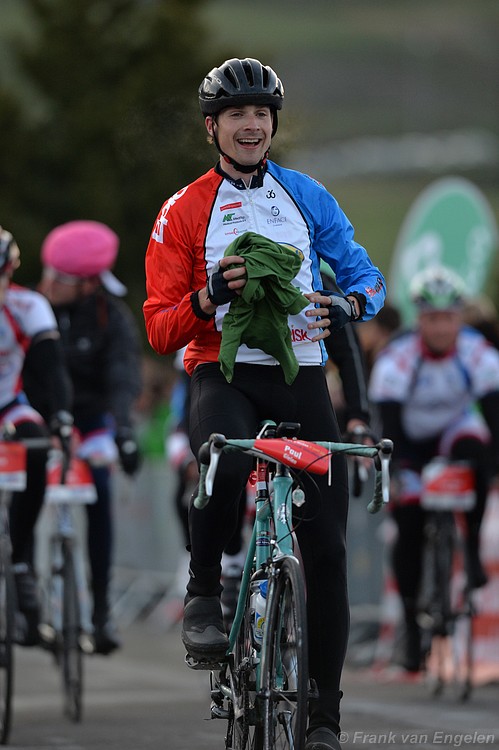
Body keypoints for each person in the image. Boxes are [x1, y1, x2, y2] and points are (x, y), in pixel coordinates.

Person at [143, 58, 385, 750]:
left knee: (328, 550)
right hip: (222, 374)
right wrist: (207, 297)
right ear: (212, 127)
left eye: (261, 114)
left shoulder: (306, 196)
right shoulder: (184, 209)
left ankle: (324, 716)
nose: (250, 125)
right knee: (220, 462)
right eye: (236, 115)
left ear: (272, 124)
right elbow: (159, 327)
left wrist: (349, 303)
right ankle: (203, 593)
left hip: (300, 375)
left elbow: (368, 279)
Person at [369, 265, 499, 672]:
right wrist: (399, 471)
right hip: (409, 442)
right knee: (409, 526)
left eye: (448, 318)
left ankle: (471, 548)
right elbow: (388, 426)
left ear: (459, 318)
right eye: (432, 319)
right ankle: (412, 623)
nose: (441, 328)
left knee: (478, 446)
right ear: (420, 319)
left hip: (454, 433)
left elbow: (494, 418)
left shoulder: (478, 353)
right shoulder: (398, 358)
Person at [24, 220, 143, 655]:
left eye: (61, 278)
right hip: (39, 416)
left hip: (91, 421)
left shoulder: (111, 316)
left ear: (90, 283)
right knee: (23, 491)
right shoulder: (32, 307)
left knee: (101, 489)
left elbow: (122, 375)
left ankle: (101, 609)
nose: (48, 283)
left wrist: (124, 430)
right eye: (48, 273)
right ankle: (24, 598)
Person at [0, 225, 73, 646]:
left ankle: (20, 559)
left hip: (9, 404)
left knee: (38, 444)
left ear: (9, 272)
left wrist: (61, 416)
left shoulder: (27, 305)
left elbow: (52, 366)